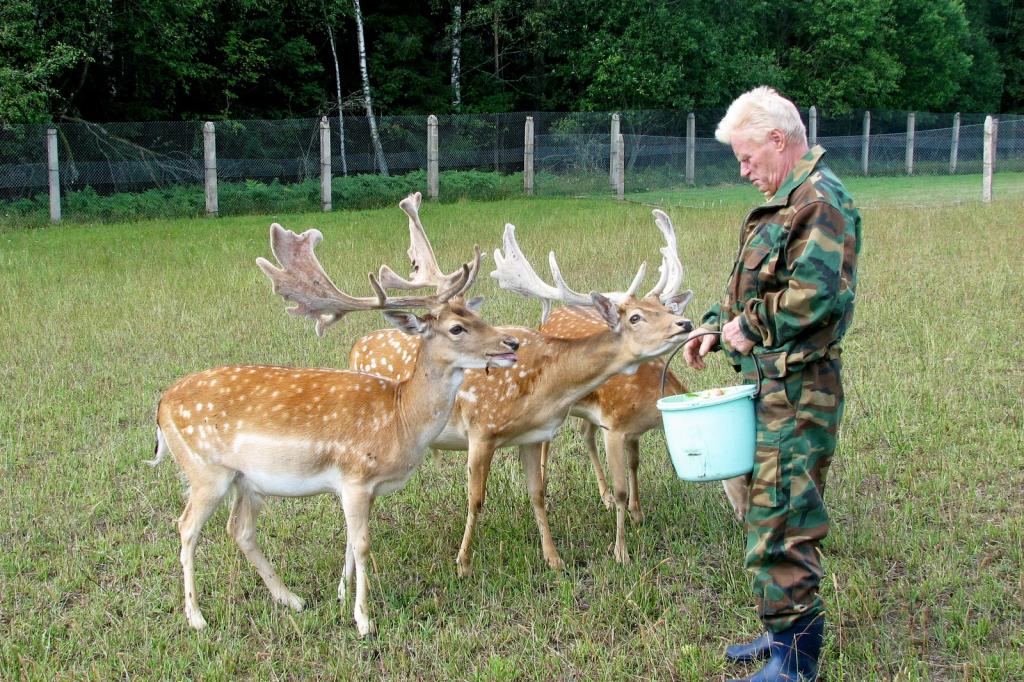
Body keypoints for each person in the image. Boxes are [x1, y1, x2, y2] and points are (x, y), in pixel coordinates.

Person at [682, 86, 861, 681]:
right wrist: (714, 325)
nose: (743, 171)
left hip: (801, 390)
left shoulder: (820, 201)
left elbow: (817, 298)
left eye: (748, 157)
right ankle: (779, 634)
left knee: (786, 521)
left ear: (778, 141)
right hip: (769, 387)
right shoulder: (784, 203)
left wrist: (746, 327)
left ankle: (798, 663)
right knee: (767, 517)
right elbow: (748, 291)